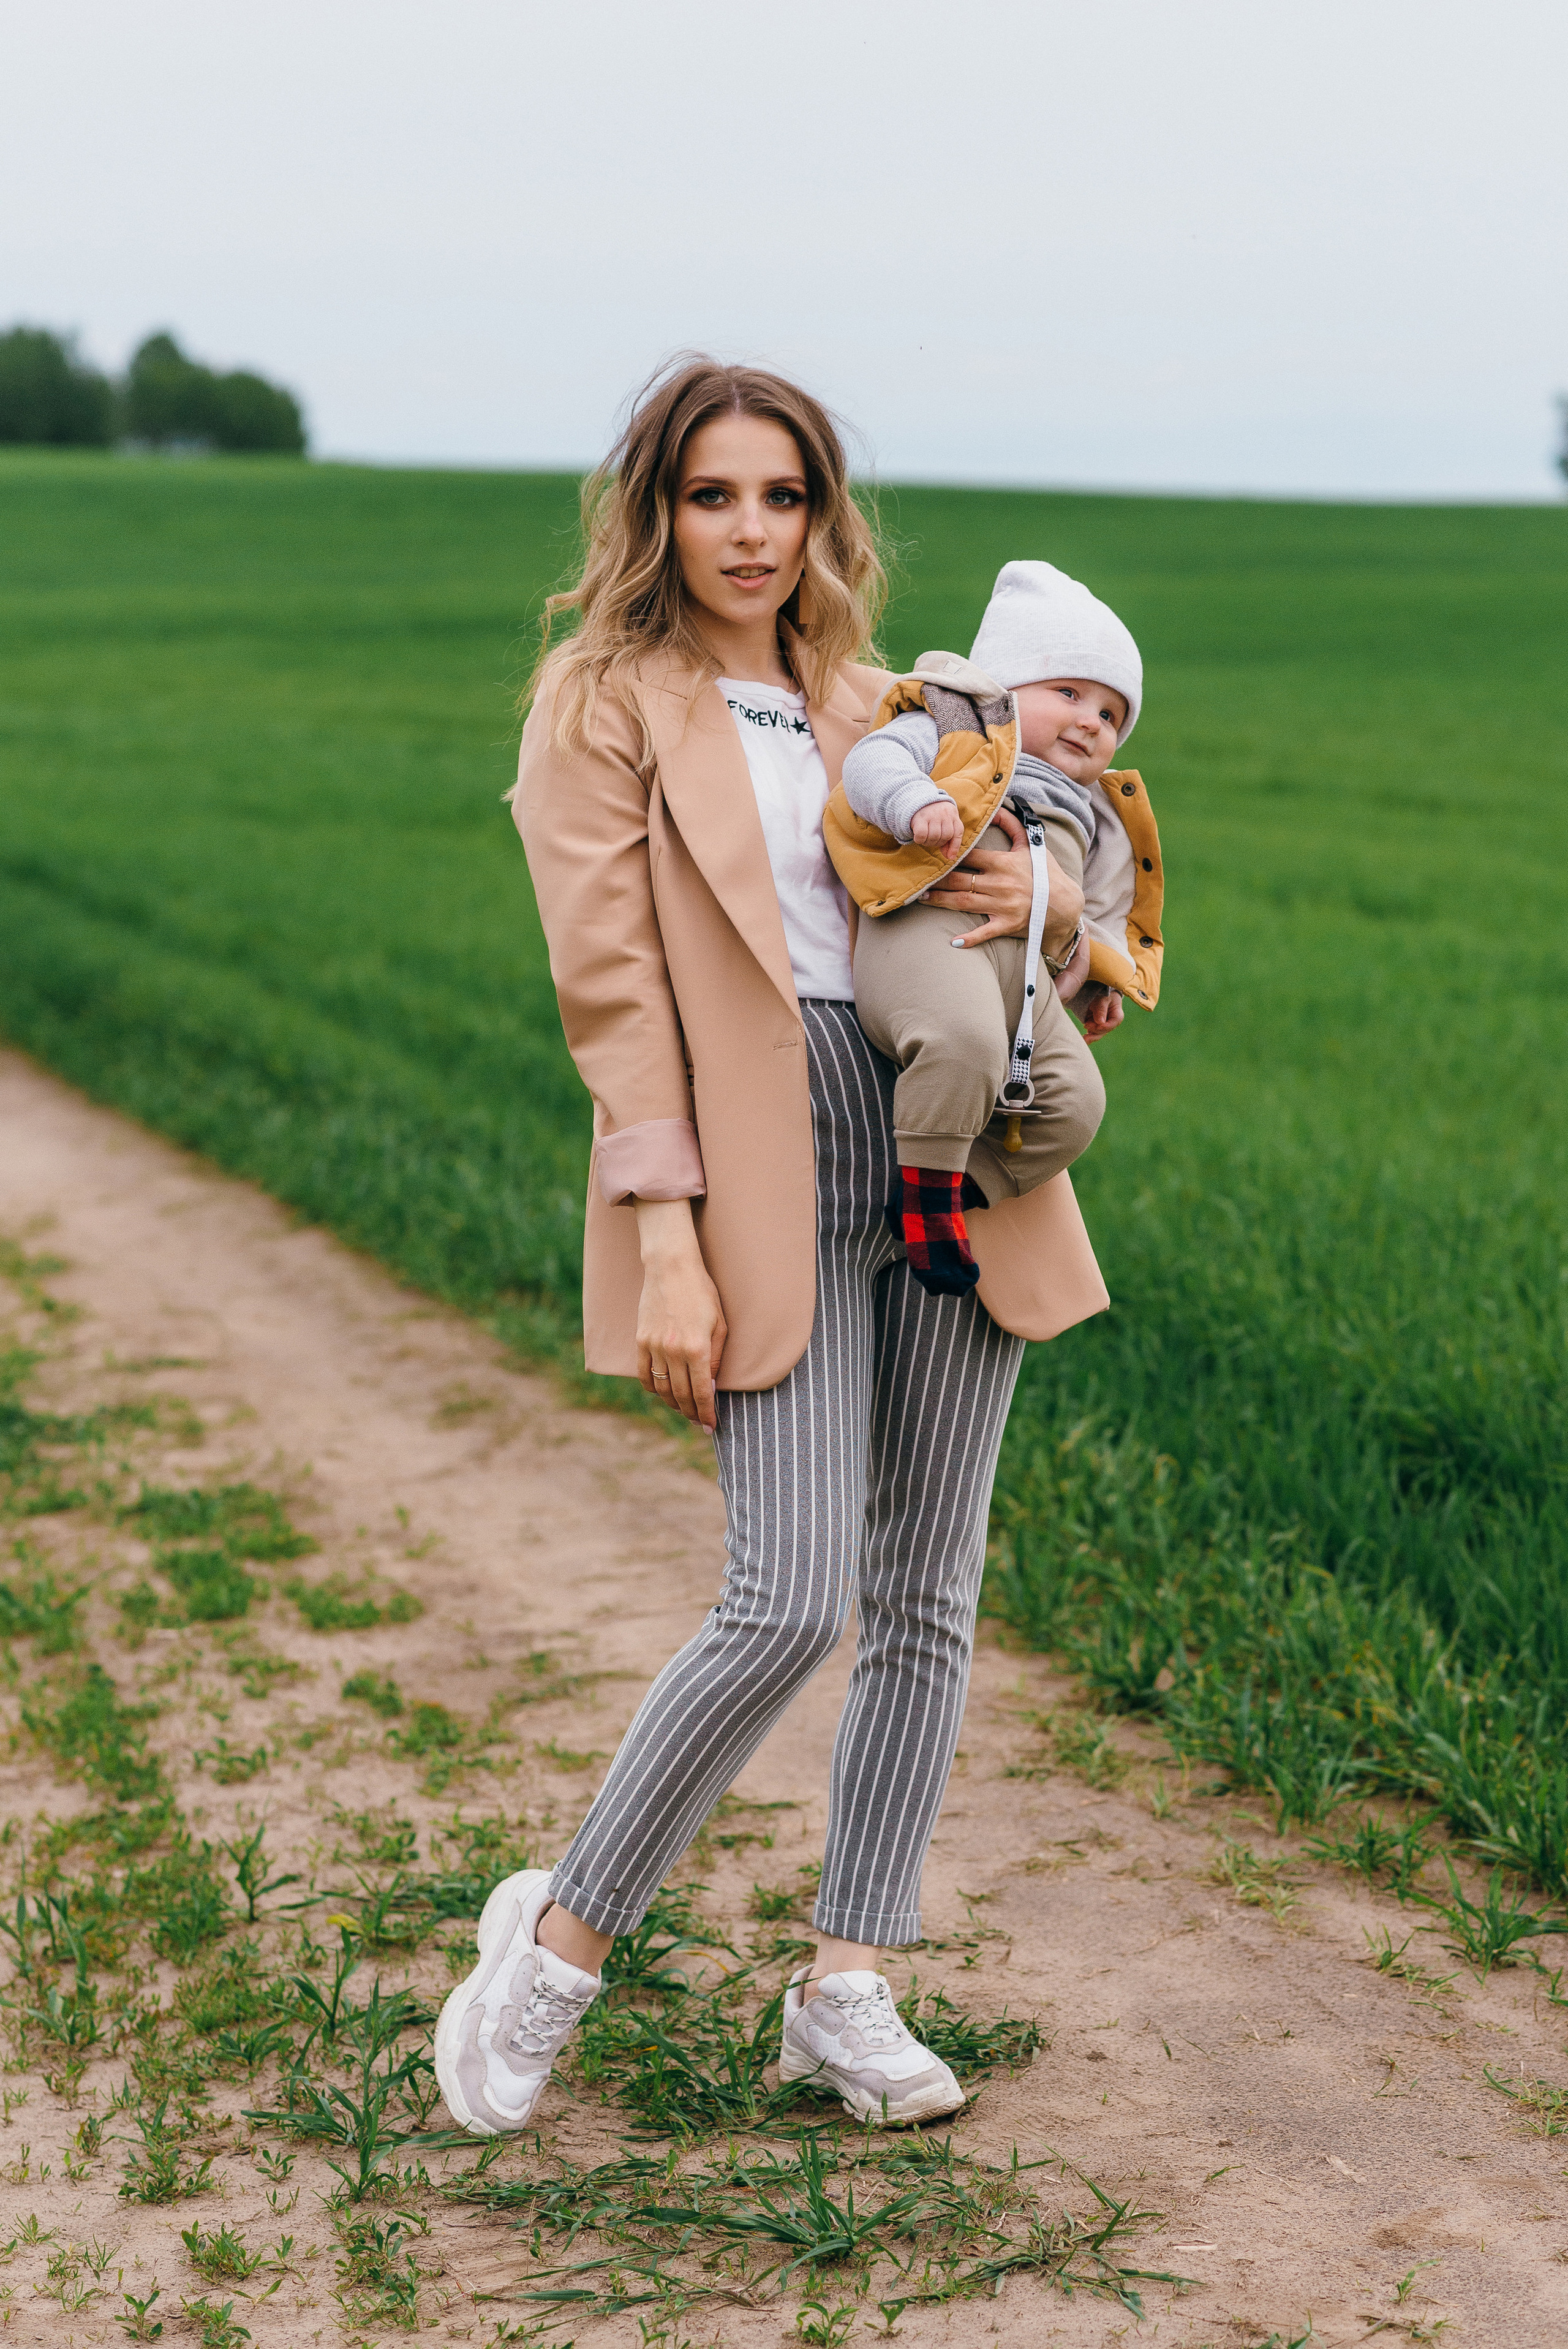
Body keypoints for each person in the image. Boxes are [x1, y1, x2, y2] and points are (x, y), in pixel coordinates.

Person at [433, 357, 1109, 2140]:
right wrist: (663, 1240)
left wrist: (1042, 914)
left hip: (942, 1128)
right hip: (755, 1150)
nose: (750, 531)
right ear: (656, 508)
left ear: (823, 516)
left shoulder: (884, 694)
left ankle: (845, 1983)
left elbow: (1061, 857)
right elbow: (613, 991)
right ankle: (560, 1947)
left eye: (783, 496)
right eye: (713, 495)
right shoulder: (600, 703)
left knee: (928, 1596)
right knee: (787, 1594)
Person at [829, 561, 1165, 1297]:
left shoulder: (1097, 806)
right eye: (1069, 692)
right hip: (931, 931)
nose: (1090, 720)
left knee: (1076, 1102)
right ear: (1006, 686)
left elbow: (1104, 903)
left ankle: (945, 1192)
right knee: (964, 1041)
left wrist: (1101, 972)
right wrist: (913, 803)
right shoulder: (959, 725)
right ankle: (927, 1192)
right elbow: (873, 759)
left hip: (1028, 972)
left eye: (1111, 714)